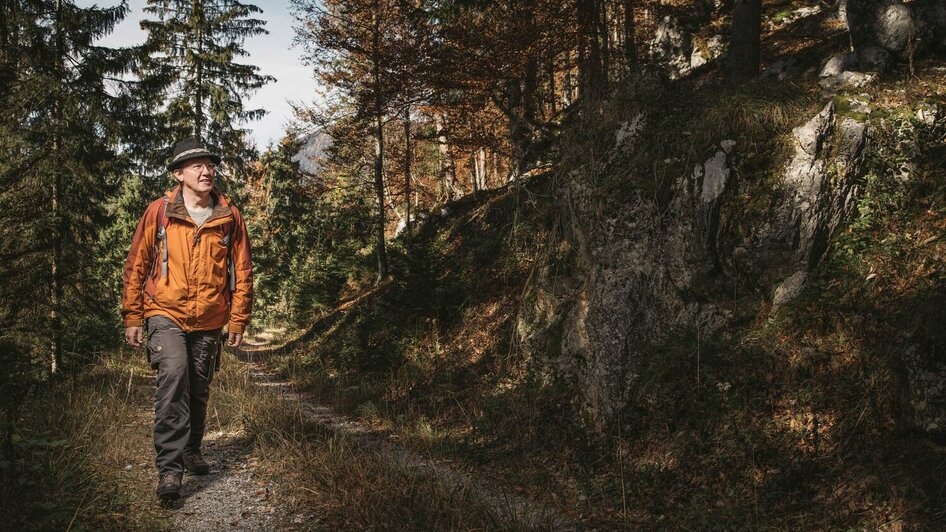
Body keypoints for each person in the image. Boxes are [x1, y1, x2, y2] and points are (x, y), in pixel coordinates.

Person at [121, 137, 253, 500]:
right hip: (165, 312)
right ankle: (170, 471)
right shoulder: (159, 212)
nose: (206, 170)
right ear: (179, 174)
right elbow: (137, 264)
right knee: (174, 377)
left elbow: (242, 270)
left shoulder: (229, 216)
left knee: (198, 386)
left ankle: (192, 449)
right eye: (196, 165)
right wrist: (133, 314)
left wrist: (238, 319)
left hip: (210, 316)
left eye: (209, 164)